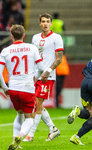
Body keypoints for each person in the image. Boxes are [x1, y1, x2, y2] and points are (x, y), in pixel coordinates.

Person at [0, 24, 44, 150]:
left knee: (19, 114)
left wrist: (5, 88)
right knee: (29, 119)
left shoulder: (5, 51)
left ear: (11, 36)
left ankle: (14, 140)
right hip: (27, 88)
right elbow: (42, 68)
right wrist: (35, 78)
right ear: (24, 35)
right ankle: (20, 136)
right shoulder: (32, 48)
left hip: (13, 88)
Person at [23, 13, 64, 142]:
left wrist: (48, 71)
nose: (45, 23)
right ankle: (53, 129)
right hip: (36, 75)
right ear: (39, 23)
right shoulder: (35, 38)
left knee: (38, 102)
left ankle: (31, 135)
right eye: (43, 21)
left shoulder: (56, 38)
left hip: (48, 76)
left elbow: (60, 58)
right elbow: (33, 57)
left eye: (47, 21)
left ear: (51, 23)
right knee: (36, 103)